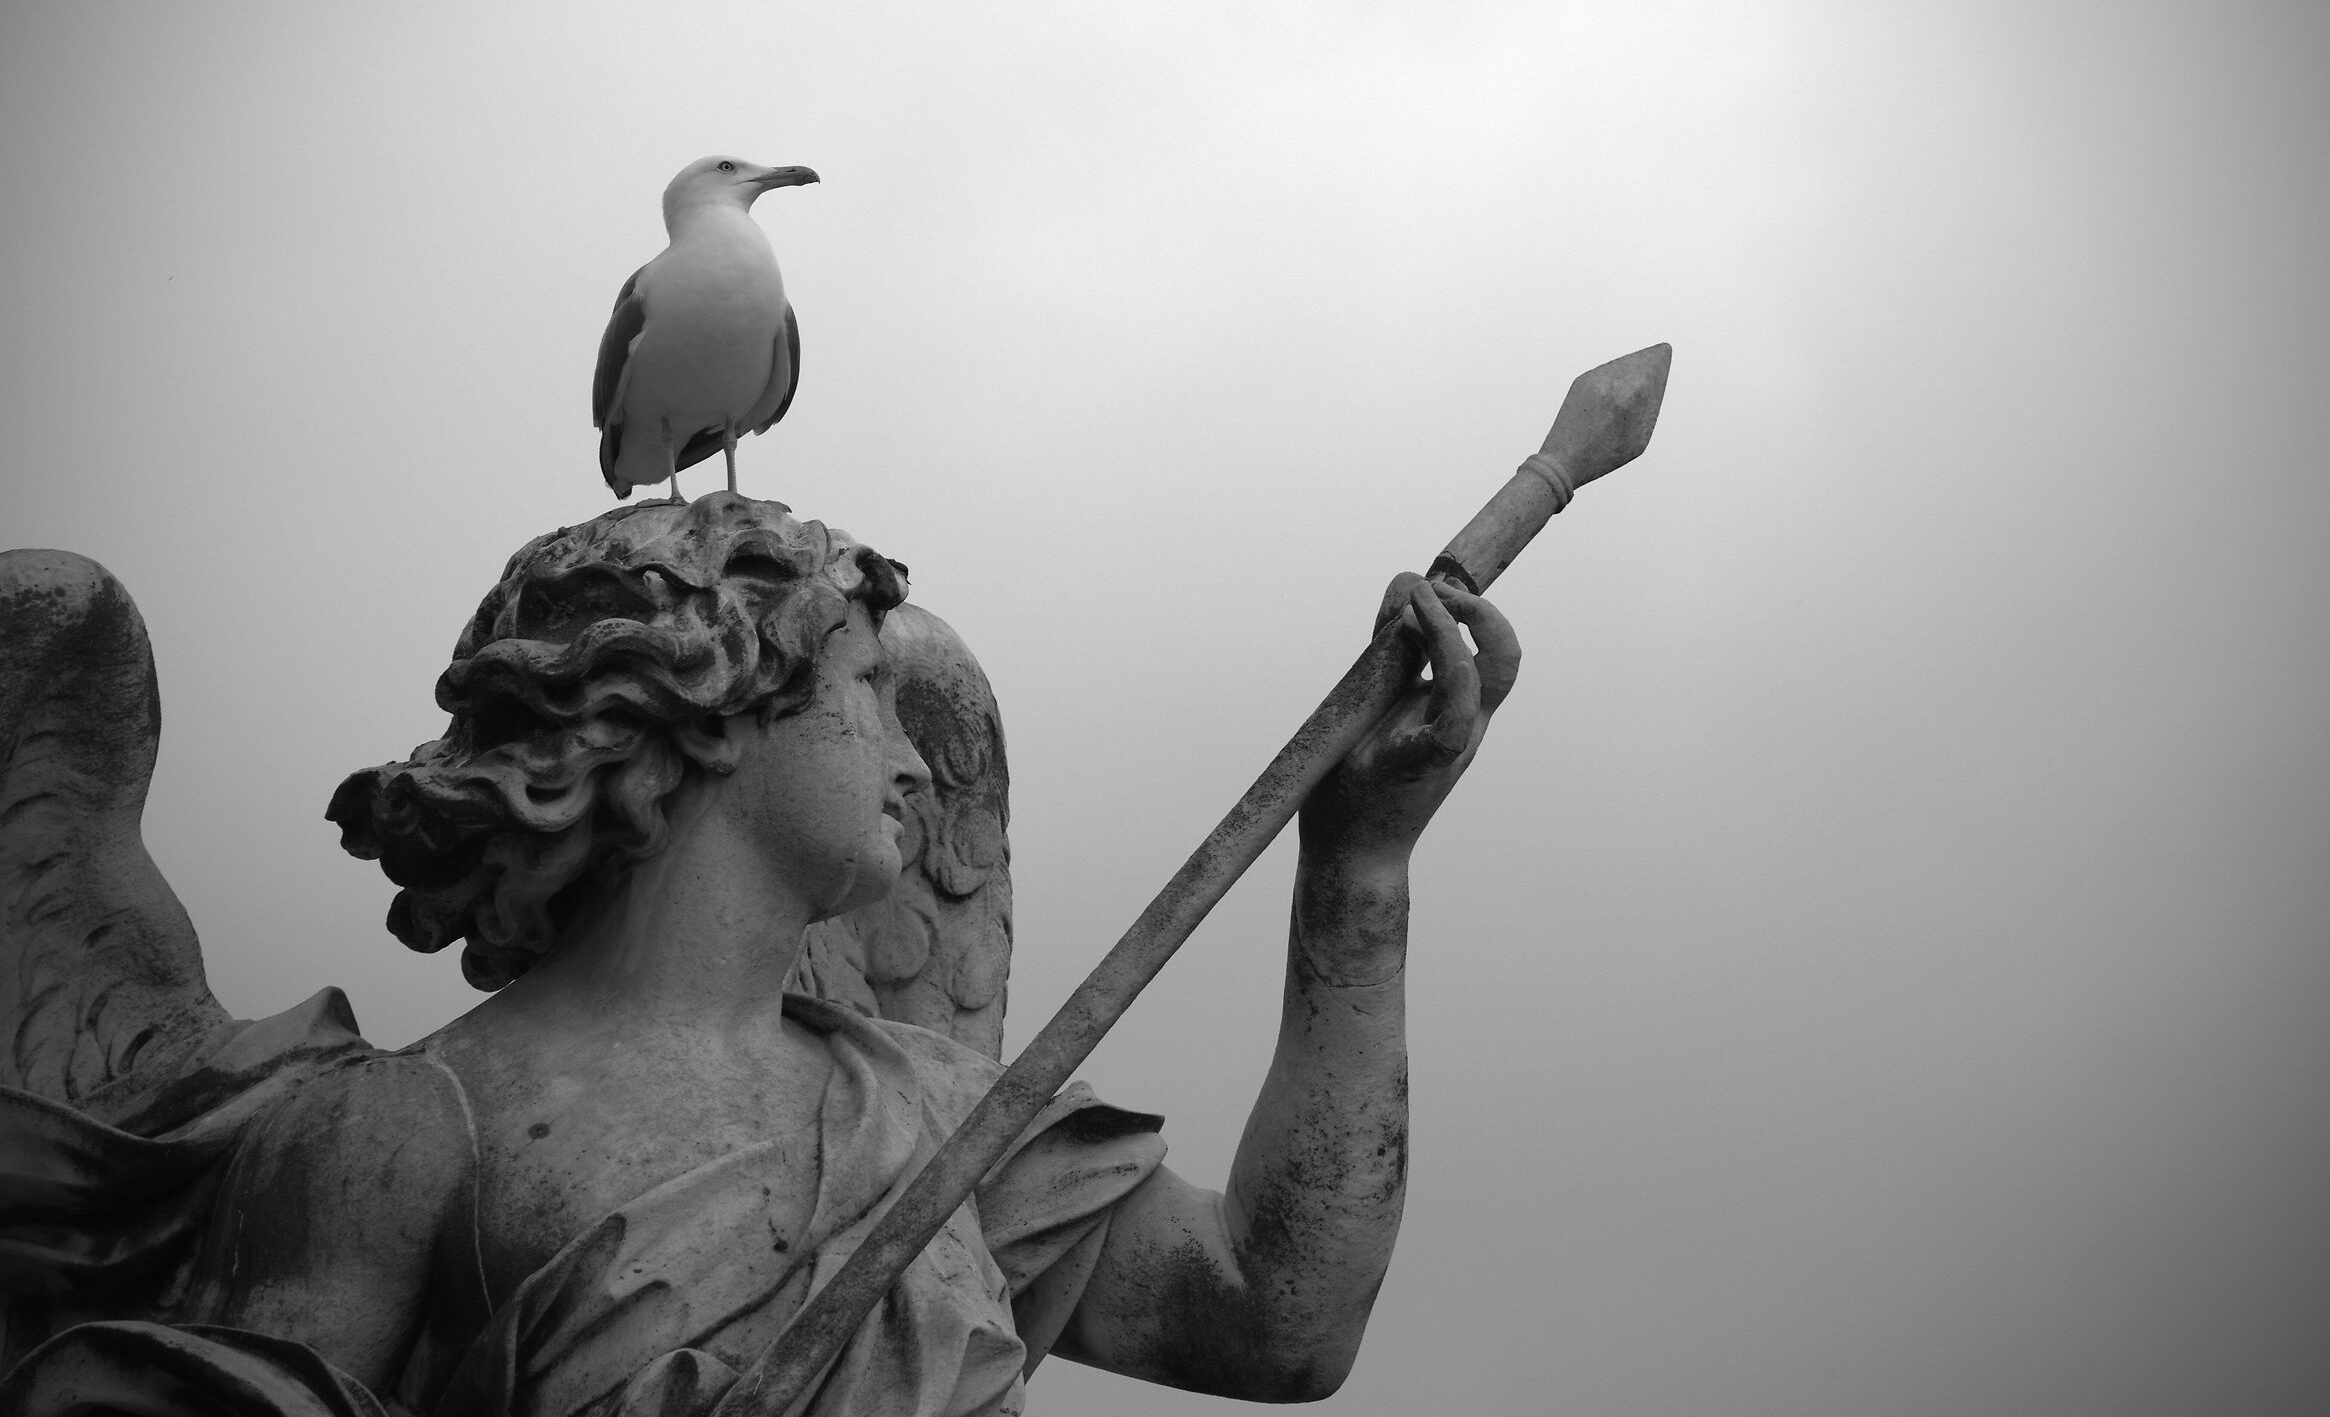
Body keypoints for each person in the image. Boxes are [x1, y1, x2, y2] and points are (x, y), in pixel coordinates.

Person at [0, 495, 1517, 1415]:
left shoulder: (939, 1114)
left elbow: (1279, 1317)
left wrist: (1358, 871)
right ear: (713, 705)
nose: (915, 764)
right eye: (865, 691)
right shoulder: (392, 1136)